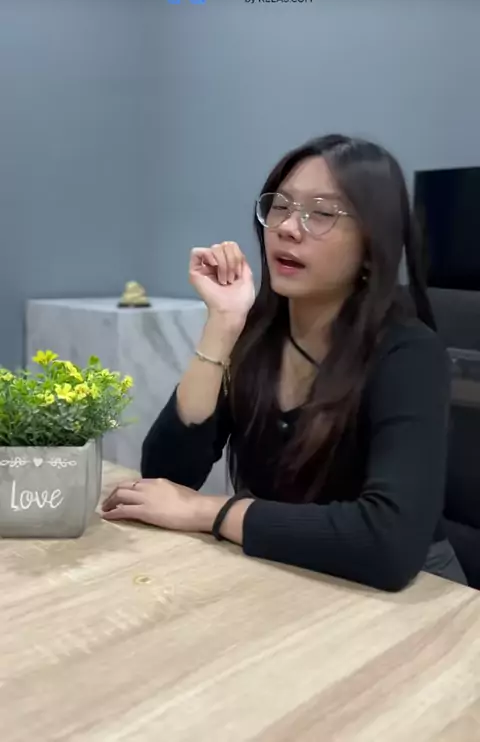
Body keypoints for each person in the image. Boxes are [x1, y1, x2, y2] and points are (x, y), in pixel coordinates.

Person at [101, 133, 467, 591]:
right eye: (280, 206)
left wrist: (208, 511)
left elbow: (388, 545)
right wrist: (222, 326)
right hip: (285, 571)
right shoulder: (258, 335)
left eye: (322, 213)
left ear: (371, 244)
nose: (289, 228)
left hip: (413, 595)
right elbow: (168, 477)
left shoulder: (409, 354)